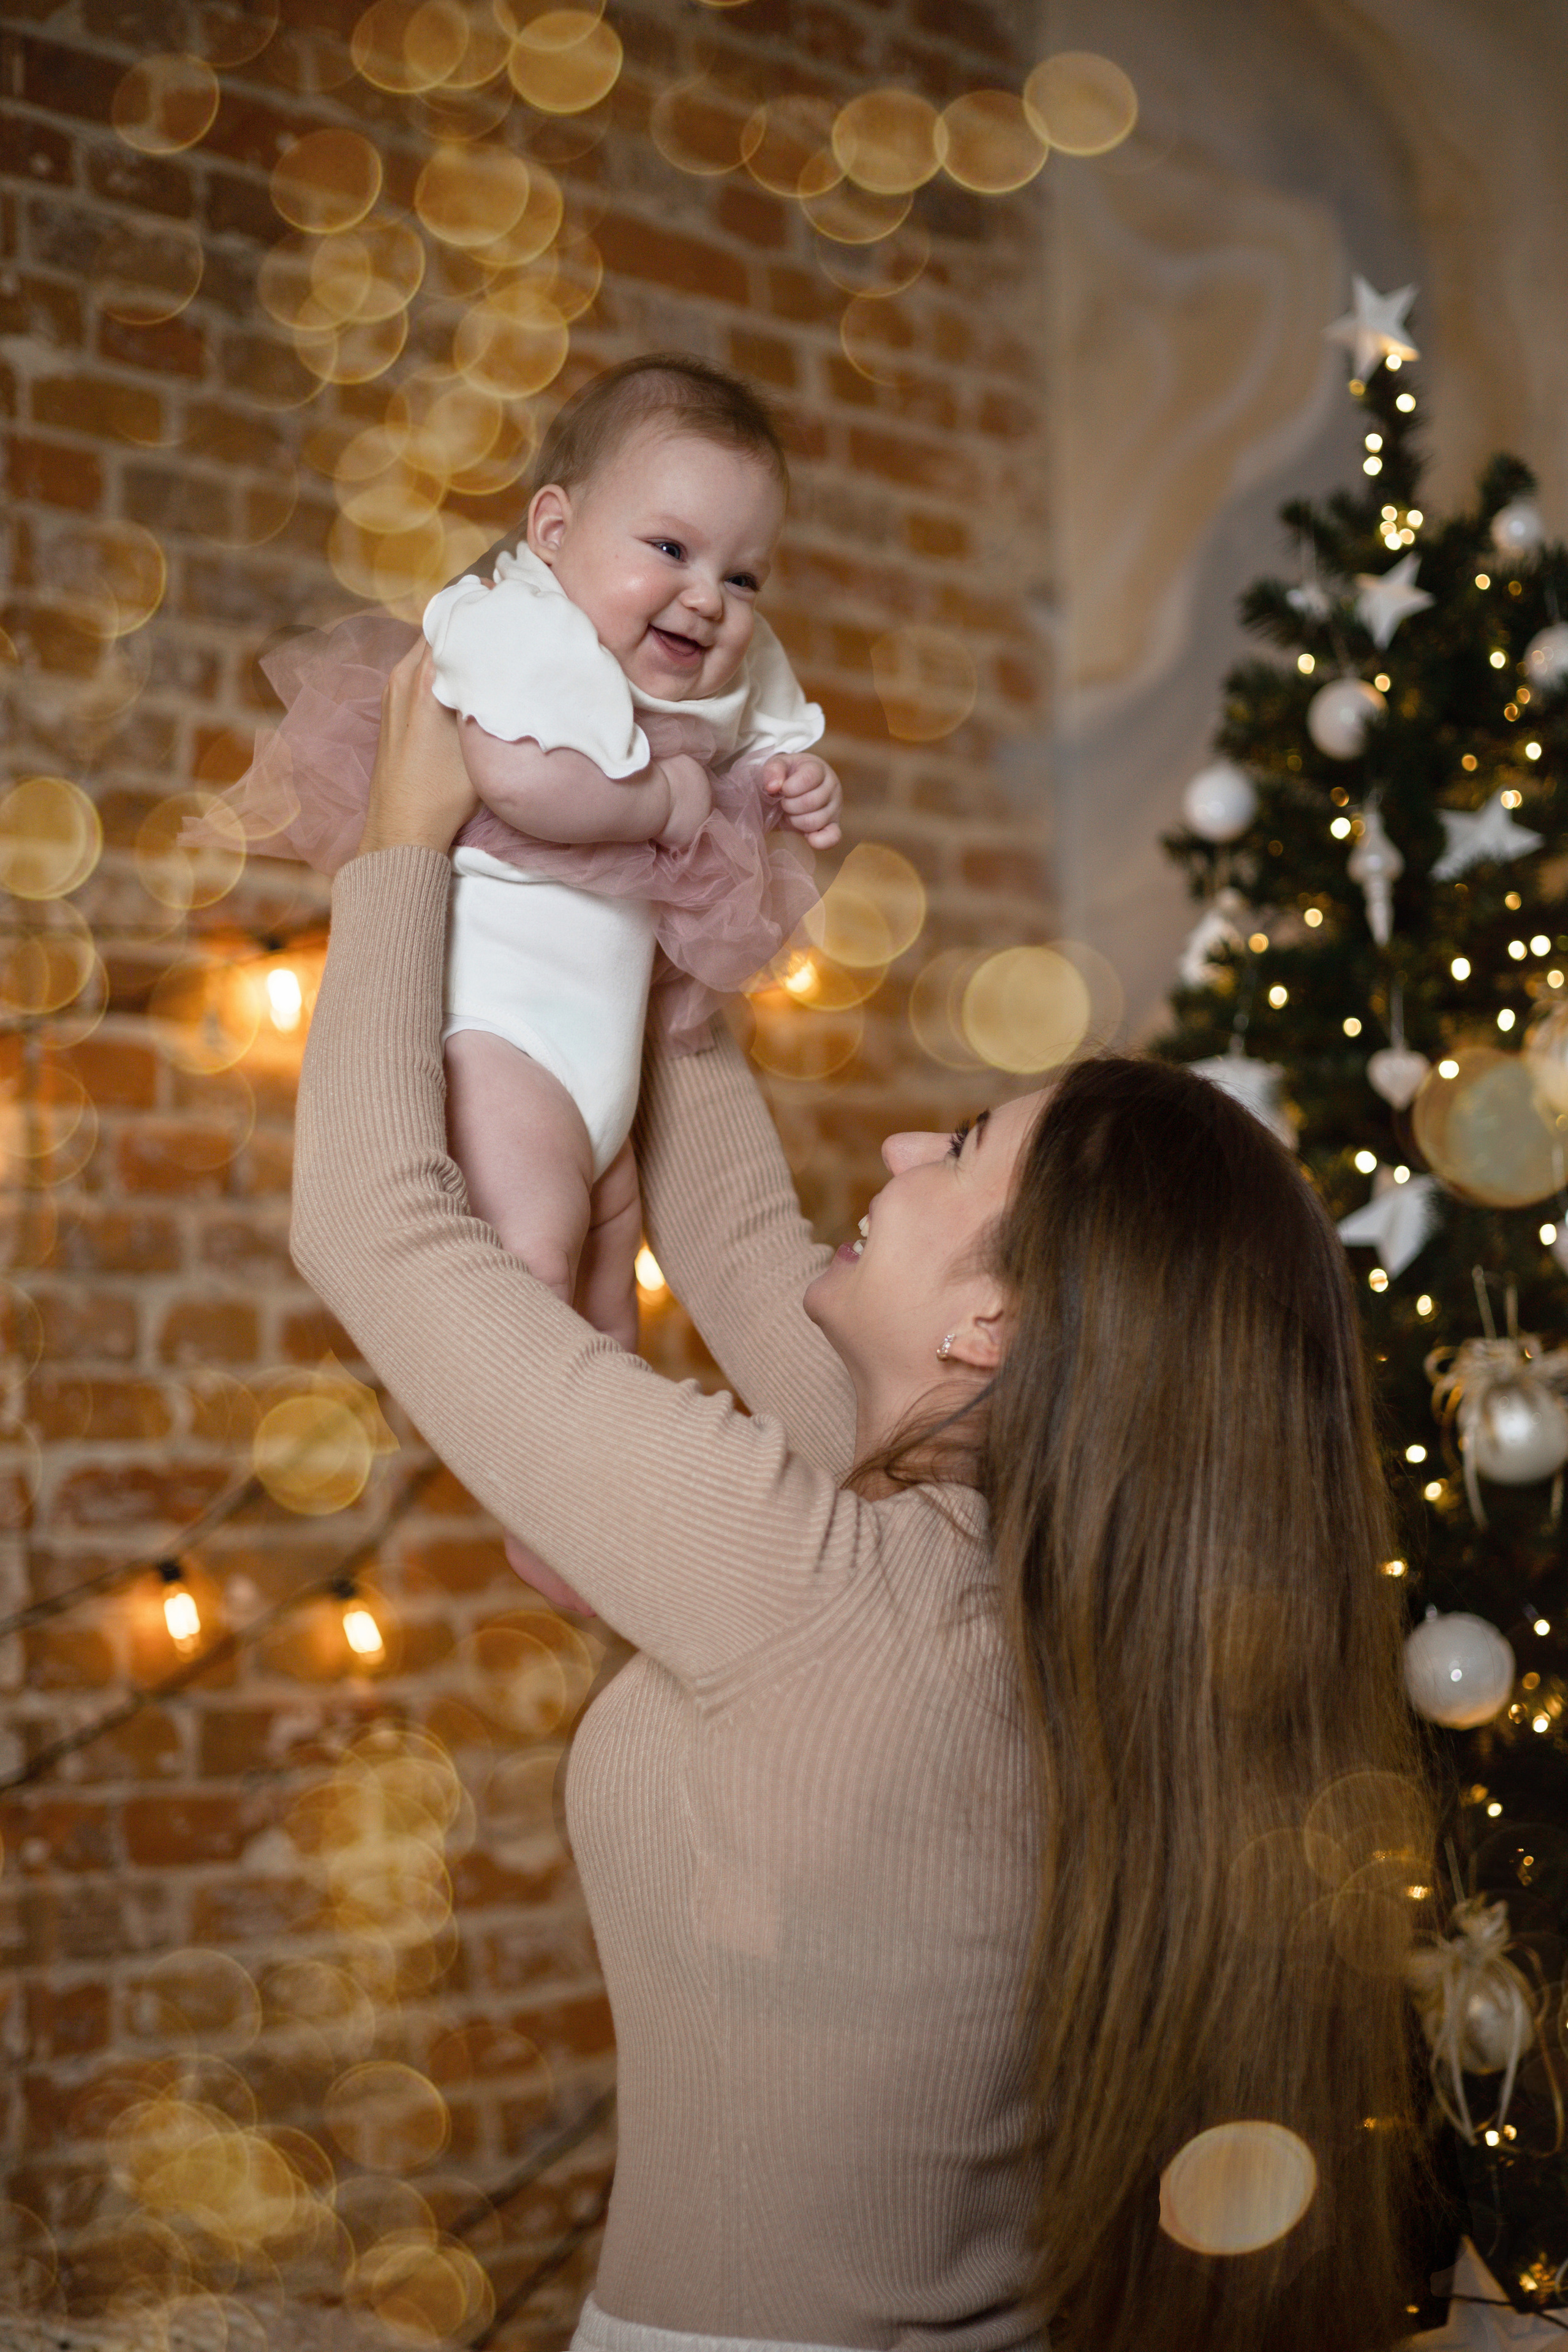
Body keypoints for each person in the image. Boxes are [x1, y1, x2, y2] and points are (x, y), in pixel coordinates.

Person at [290, 645, 1432, 2352]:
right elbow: (743, 1236)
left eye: (961, 1149)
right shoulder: (1033, 1583)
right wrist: (642, 873)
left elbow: (375, 1224)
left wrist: (401, 837)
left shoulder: (823, 1578)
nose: (899, 1152)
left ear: (994, 1325)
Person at [216, 356, 840, 1605]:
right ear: (553, 530)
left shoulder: (727, 660)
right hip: (496, 1033)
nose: (707, 598)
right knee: (537, 1268)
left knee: (614, 1302)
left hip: (609, 1056)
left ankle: (579, 1527)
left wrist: (801, 790)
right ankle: (535, 1500)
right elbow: (514, 781)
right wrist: (663, 797)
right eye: (666, 547)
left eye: (740, 572)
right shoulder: (516, 625)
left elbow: (775, 745)